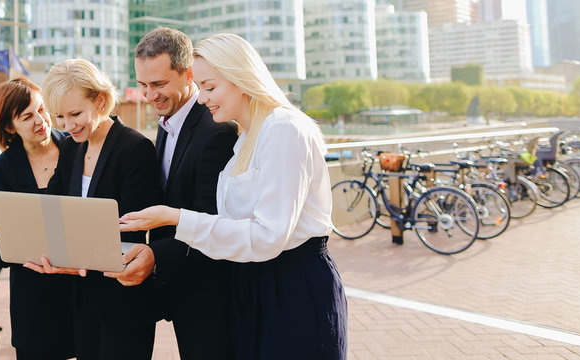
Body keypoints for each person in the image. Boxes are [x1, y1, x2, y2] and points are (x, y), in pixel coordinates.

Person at [118, 33, 348, 360]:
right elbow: (231, 225)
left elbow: (268, 235)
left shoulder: (284, 129)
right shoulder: (245, 140)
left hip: (293, 286)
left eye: (209, 88)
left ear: (242, 79)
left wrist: (175, 217)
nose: (201, 99)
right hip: (255, 285)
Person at [109, 26, 238, 360]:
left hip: (209, 291)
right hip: (178, 282)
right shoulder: (168, 123)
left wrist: (156, 257)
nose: (149, 95)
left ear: (188, 74)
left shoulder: (216, 131)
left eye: (159, 84)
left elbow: (209, 220)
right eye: (143, 85)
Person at [26, 58, 162, 360]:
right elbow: (57, 203)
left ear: (100, 100)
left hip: (124, 302)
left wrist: (70, 261)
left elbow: (128, 232)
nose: (67, 125)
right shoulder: (72, 147)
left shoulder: (135, 148)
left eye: (75, 113)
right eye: (59, 116)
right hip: (83, 301)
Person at [0, 77, 75, 359]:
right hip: (33, 293)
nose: (41, 120)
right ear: (10, 127)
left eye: (42, 109)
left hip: (81, 284)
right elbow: (0, 247)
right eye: (27, 116)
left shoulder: (77, 150)